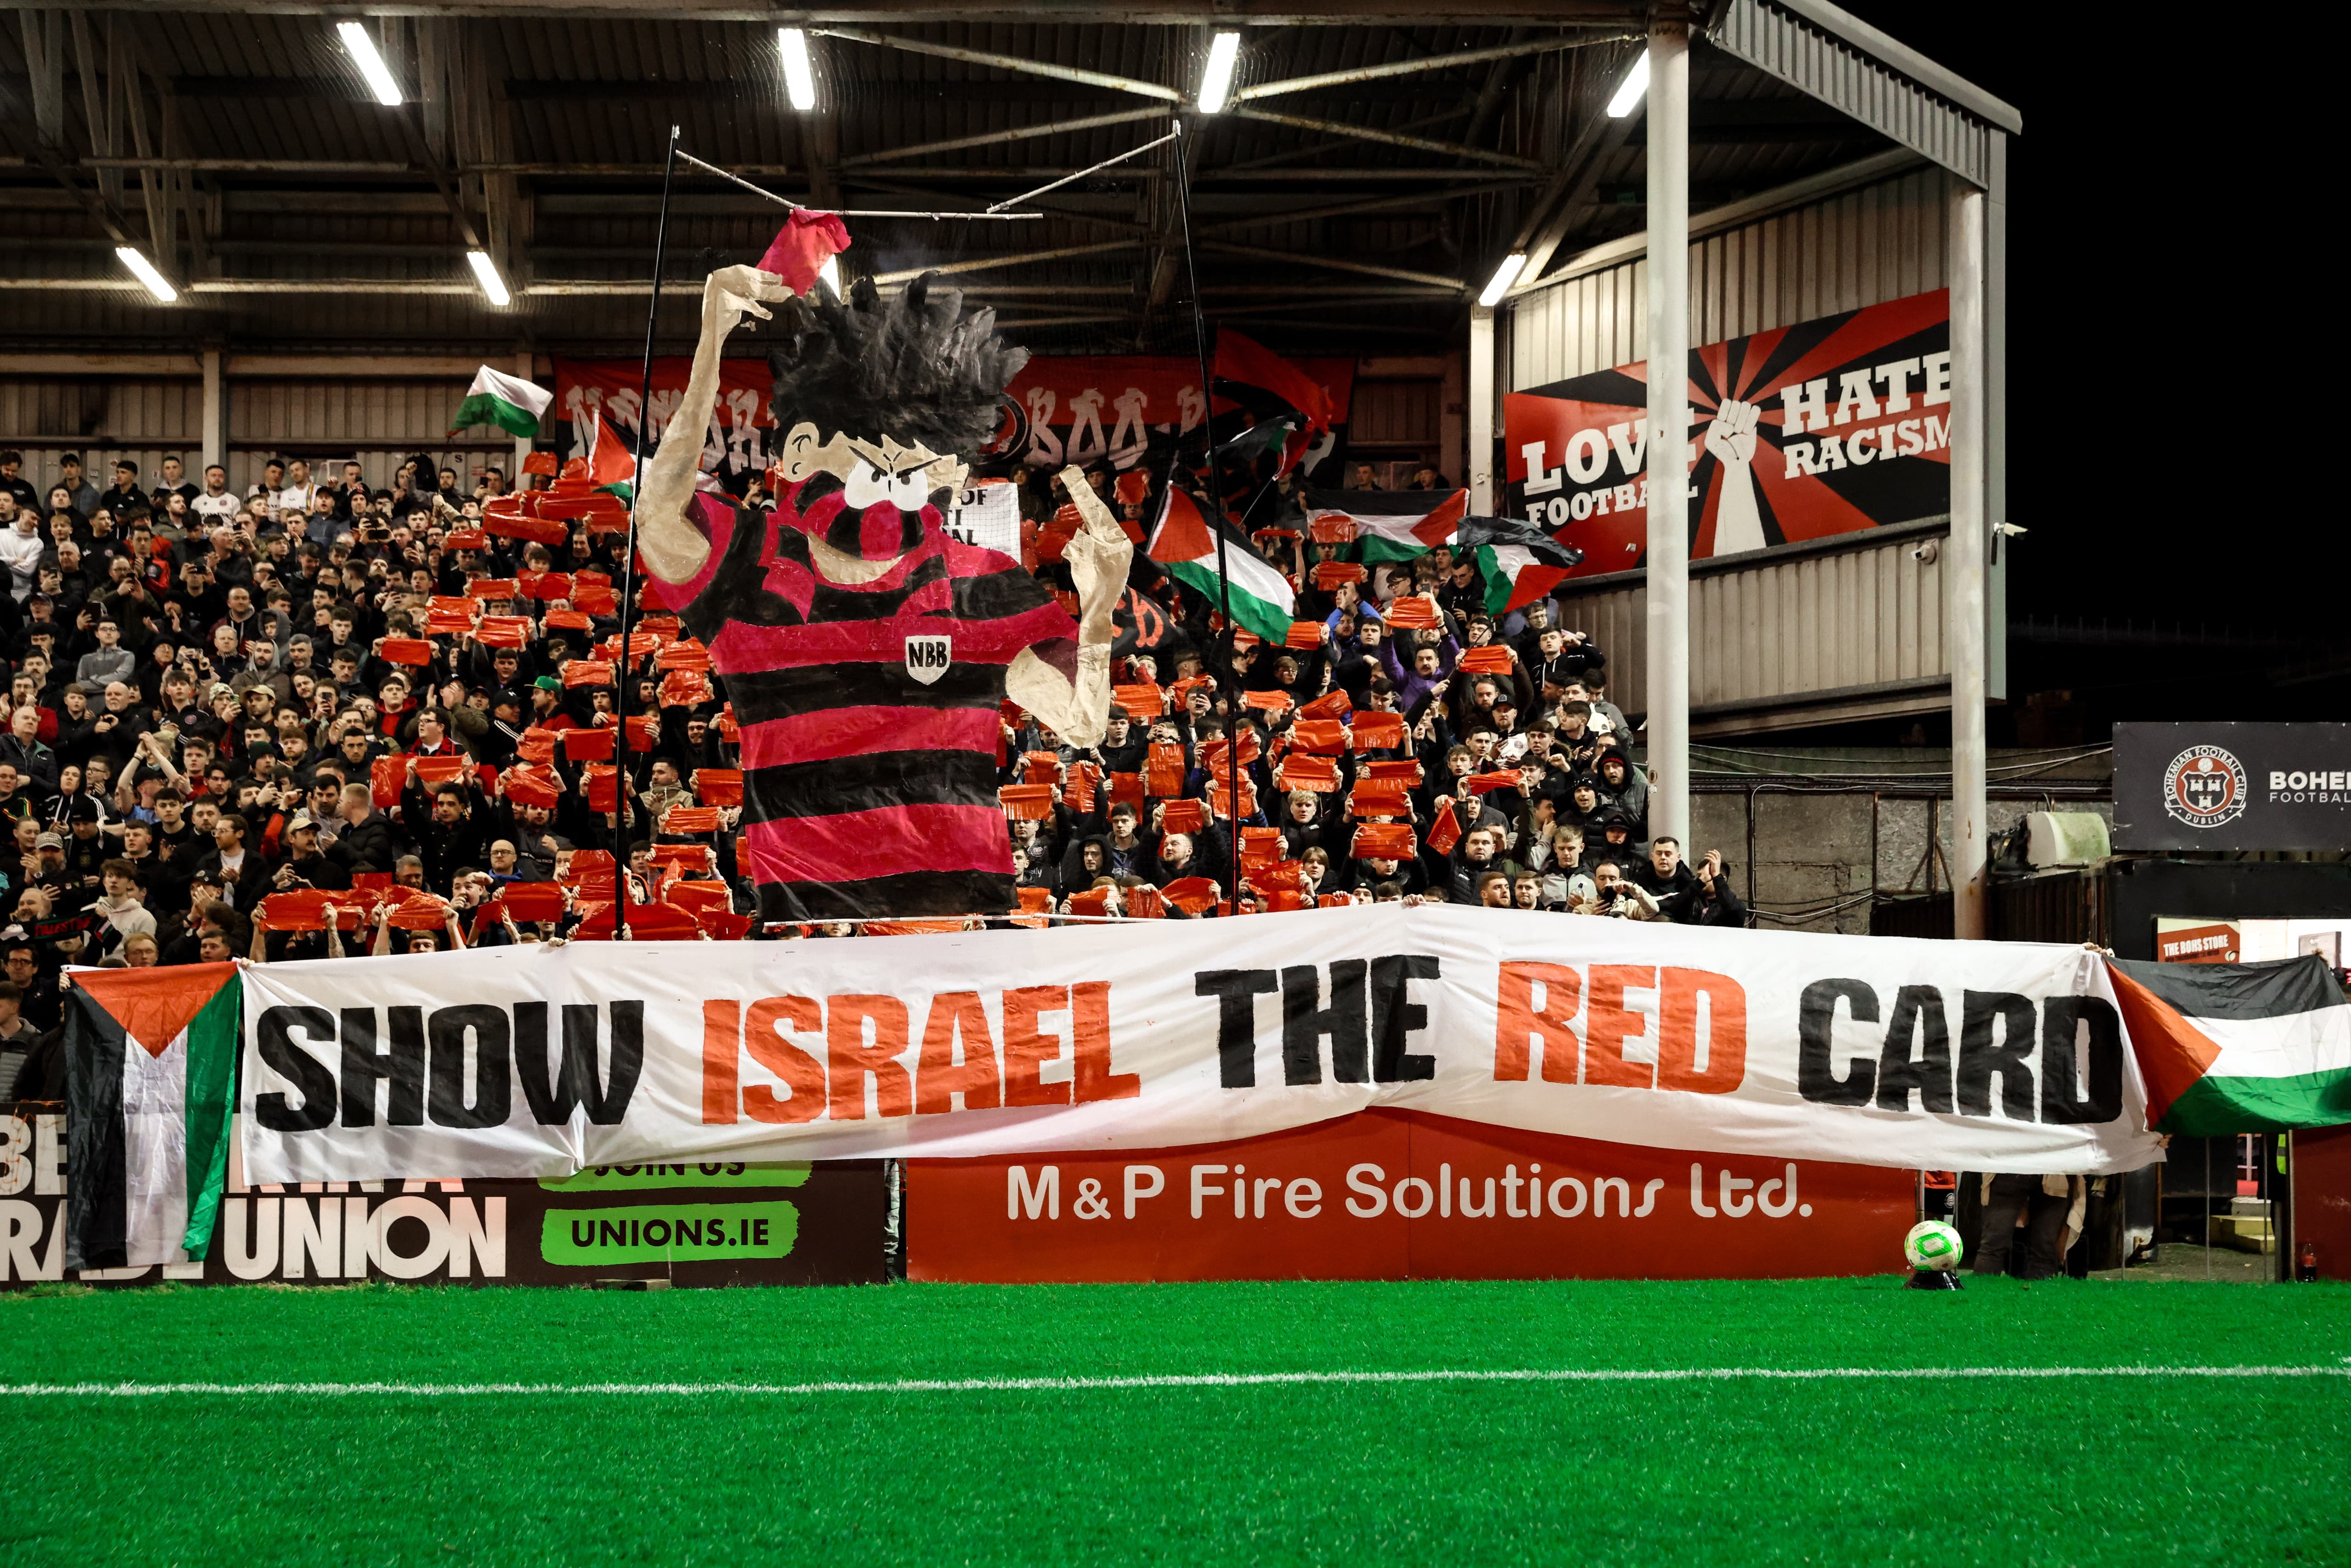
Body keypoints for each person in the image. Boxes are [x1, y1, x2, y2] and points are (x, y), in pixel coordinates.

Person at [1973, 1174, 2085, 1280]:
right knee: (1994, 1245)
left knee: (2044, 1249)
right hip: (2017, 1164)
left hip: (2053, 1168)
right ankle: (1978, 1297)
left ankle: (2041, 1297)